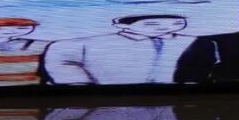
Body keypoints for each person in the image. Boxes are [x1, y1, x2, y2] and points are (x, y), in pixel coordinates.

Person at [43, 15, 195, 85]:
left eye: (176, 23)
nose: (165, 27)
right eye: (151, 24)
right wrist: (77, 83)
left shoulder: (192, 41)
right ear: (121, 24)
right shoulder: (89, 42)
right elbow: (60, 58)